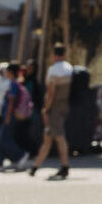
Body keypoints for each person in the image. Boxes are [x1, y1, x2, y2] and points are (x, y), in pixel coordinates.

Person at [24, 42, 75, 180]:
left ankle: (65, 166)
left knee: (58, 136)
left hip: (55, 107)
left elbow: (51, 92)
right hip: (65, 105)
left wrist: (46, 108)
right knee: (48, 136)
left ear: (53, 55)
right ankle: (35, 166)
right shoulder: (69, 68)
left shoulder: (54, 70)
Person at [0, 64, 32, 172]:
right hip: (7, 115)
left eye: (7, 71)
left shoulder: (13, 84)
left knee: (2, 139)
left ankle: (20, 155)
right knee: (0, 139)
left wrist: (8, 116)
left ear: (11, 72)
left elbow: (11, 102)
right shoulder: (14, 83)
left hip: (9, 116)